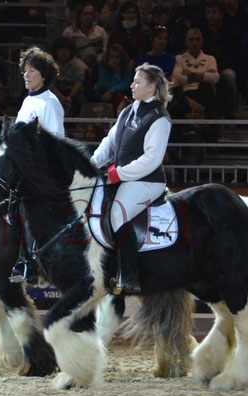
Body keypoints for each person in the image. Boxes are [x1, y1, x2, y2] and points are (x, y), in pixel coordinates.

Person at [90, 63, 172, 295]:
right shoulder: (128, 110)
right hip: (124, 178)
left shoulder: (160, 118)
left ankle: (129, 276)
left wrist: (119, 173)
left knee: (117, 213)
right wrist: (91, 165)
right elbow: (110, 142)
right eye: (133, 81)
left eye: (137, 82)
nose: (132, 85)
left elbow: (152, 159)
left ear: (152, 87)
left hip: (147, 182)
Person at [11, 46, 64, 282]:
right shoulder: (28, 101)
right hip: (23, 170)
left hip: (41, 174)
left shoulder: (50, 103)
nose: (26, 75)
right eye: (25, 71)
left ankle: (31, 263)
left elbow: (55, 142)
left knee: (27, 208)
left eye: (31, 71)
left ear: (44, 75)